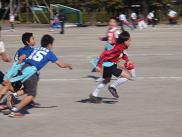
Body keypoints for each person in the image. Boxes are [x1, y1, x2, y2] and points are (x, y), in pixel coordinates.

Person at [0, 34, 72, 117]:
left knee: (27, 88)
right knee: (32, 95)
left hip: (24, 68)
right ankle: (14, 110)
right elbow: (61, 65)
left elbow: (23, 57)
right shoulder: (49, 53)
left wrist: (18, 65)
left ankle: (14, 95)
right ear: (49, 45)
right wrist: (68, 65)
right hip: (31, 73)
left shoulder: (36, 48)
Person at [89, 31, 135, 103]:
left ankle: (94, 94)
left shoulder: (120, 46)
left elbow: (122, 54)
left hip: (108, 64)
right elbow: (104, 55)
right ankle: (112, 87)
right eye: (129, 41)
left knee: (107, 80)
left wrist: (127, 60)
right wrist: (99, 65)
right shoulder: (117, 49)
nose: (130, 42)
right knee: (127, 76)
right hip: (110, 64)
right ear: (124, 41)